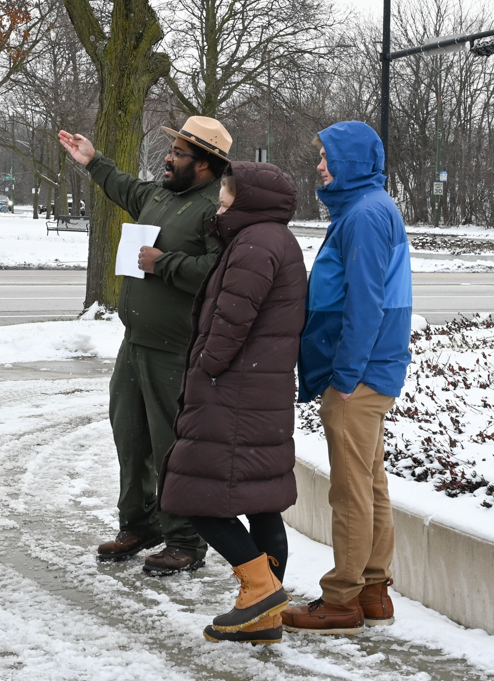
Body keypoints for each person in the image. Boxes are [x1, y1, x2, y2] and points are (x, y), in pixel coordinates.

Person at [58, 117, 229, 575]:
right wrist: (93, 161)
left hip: (175, 349)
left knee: (171, 445)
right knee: (130, 438)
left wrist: (164, 263)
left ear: (207, 165)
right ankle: (139, 524)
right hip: (134, 343)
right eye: (171, 150)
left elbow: (219, 272)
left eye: (179, 153)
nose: (169, 158)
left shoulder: (216, 210)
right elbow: (123, 187)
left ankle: (186, 541)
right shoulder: (158, 195)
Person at [158, 161, 307, 645]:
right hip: (257, 389)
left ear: (249, 200)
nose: (220, 203)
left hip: (235, 391)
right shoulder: (267, 238)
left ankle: (259, 588)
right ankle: (264, 619)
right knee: (262, 503)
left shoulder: (255, 242)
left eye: (226, 196)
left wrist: (207, 365)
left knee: (193, 497)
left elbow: (232, 316)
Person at [282, 121, 412, 635]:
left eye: (326, 157)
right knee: (371, 482)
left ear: (352, 162)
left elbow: (365, 302)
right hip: (371, 370)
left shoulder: (363, 215)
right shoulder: (369, 209)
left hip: (358, 375)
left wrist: (345, 376)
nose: (319, 166)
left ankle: (341, 600)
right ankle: (374, 590)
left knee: (350, 490)